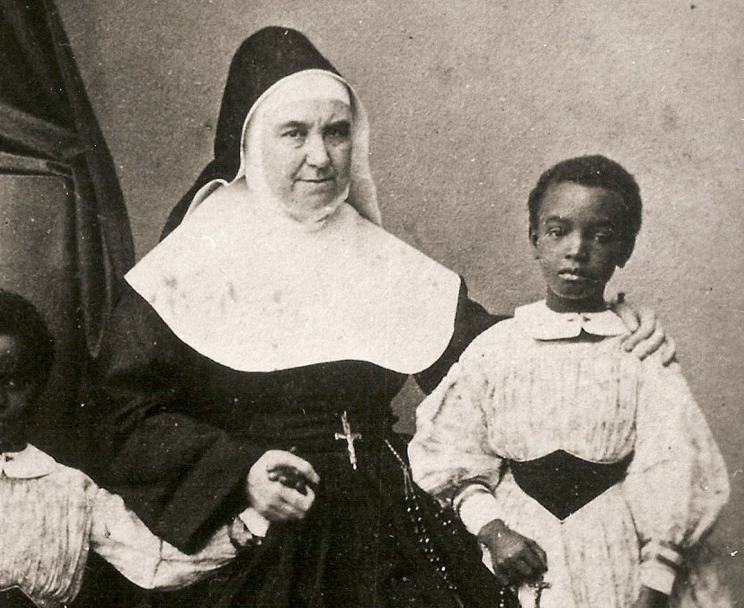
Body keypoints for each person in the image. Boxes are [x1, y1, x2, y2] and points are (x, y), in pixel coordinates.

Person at [93, 28, 672, 608]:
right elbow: (124, 415)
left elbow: (492, 356)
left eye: (336, 132)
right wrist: (241, 471)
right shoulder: (185, 265)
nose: (320, 156)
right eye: (294, 133)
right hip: (264, 521)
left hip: (389, 517)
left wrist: (599, 324)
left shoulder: (382, 258)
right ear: (250, 143)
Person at [408, 156, 730, 608]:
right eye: (558, 231)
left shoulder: (638, 350)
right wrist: (494, 532)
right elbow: (451, 449)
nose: (577, 250)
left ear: (625, 249)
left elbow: (675, 464)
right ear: (535, 239)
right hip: (516, 546)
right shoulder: (497, 348)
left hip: (615, 552)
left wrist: (655, 580)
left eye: (600, 236)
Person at [0, 289, 250, 608]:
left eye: (14, 382)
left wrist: (243, 530)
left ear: (39, 383)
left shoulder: (72, 492)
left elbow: (155, 563)